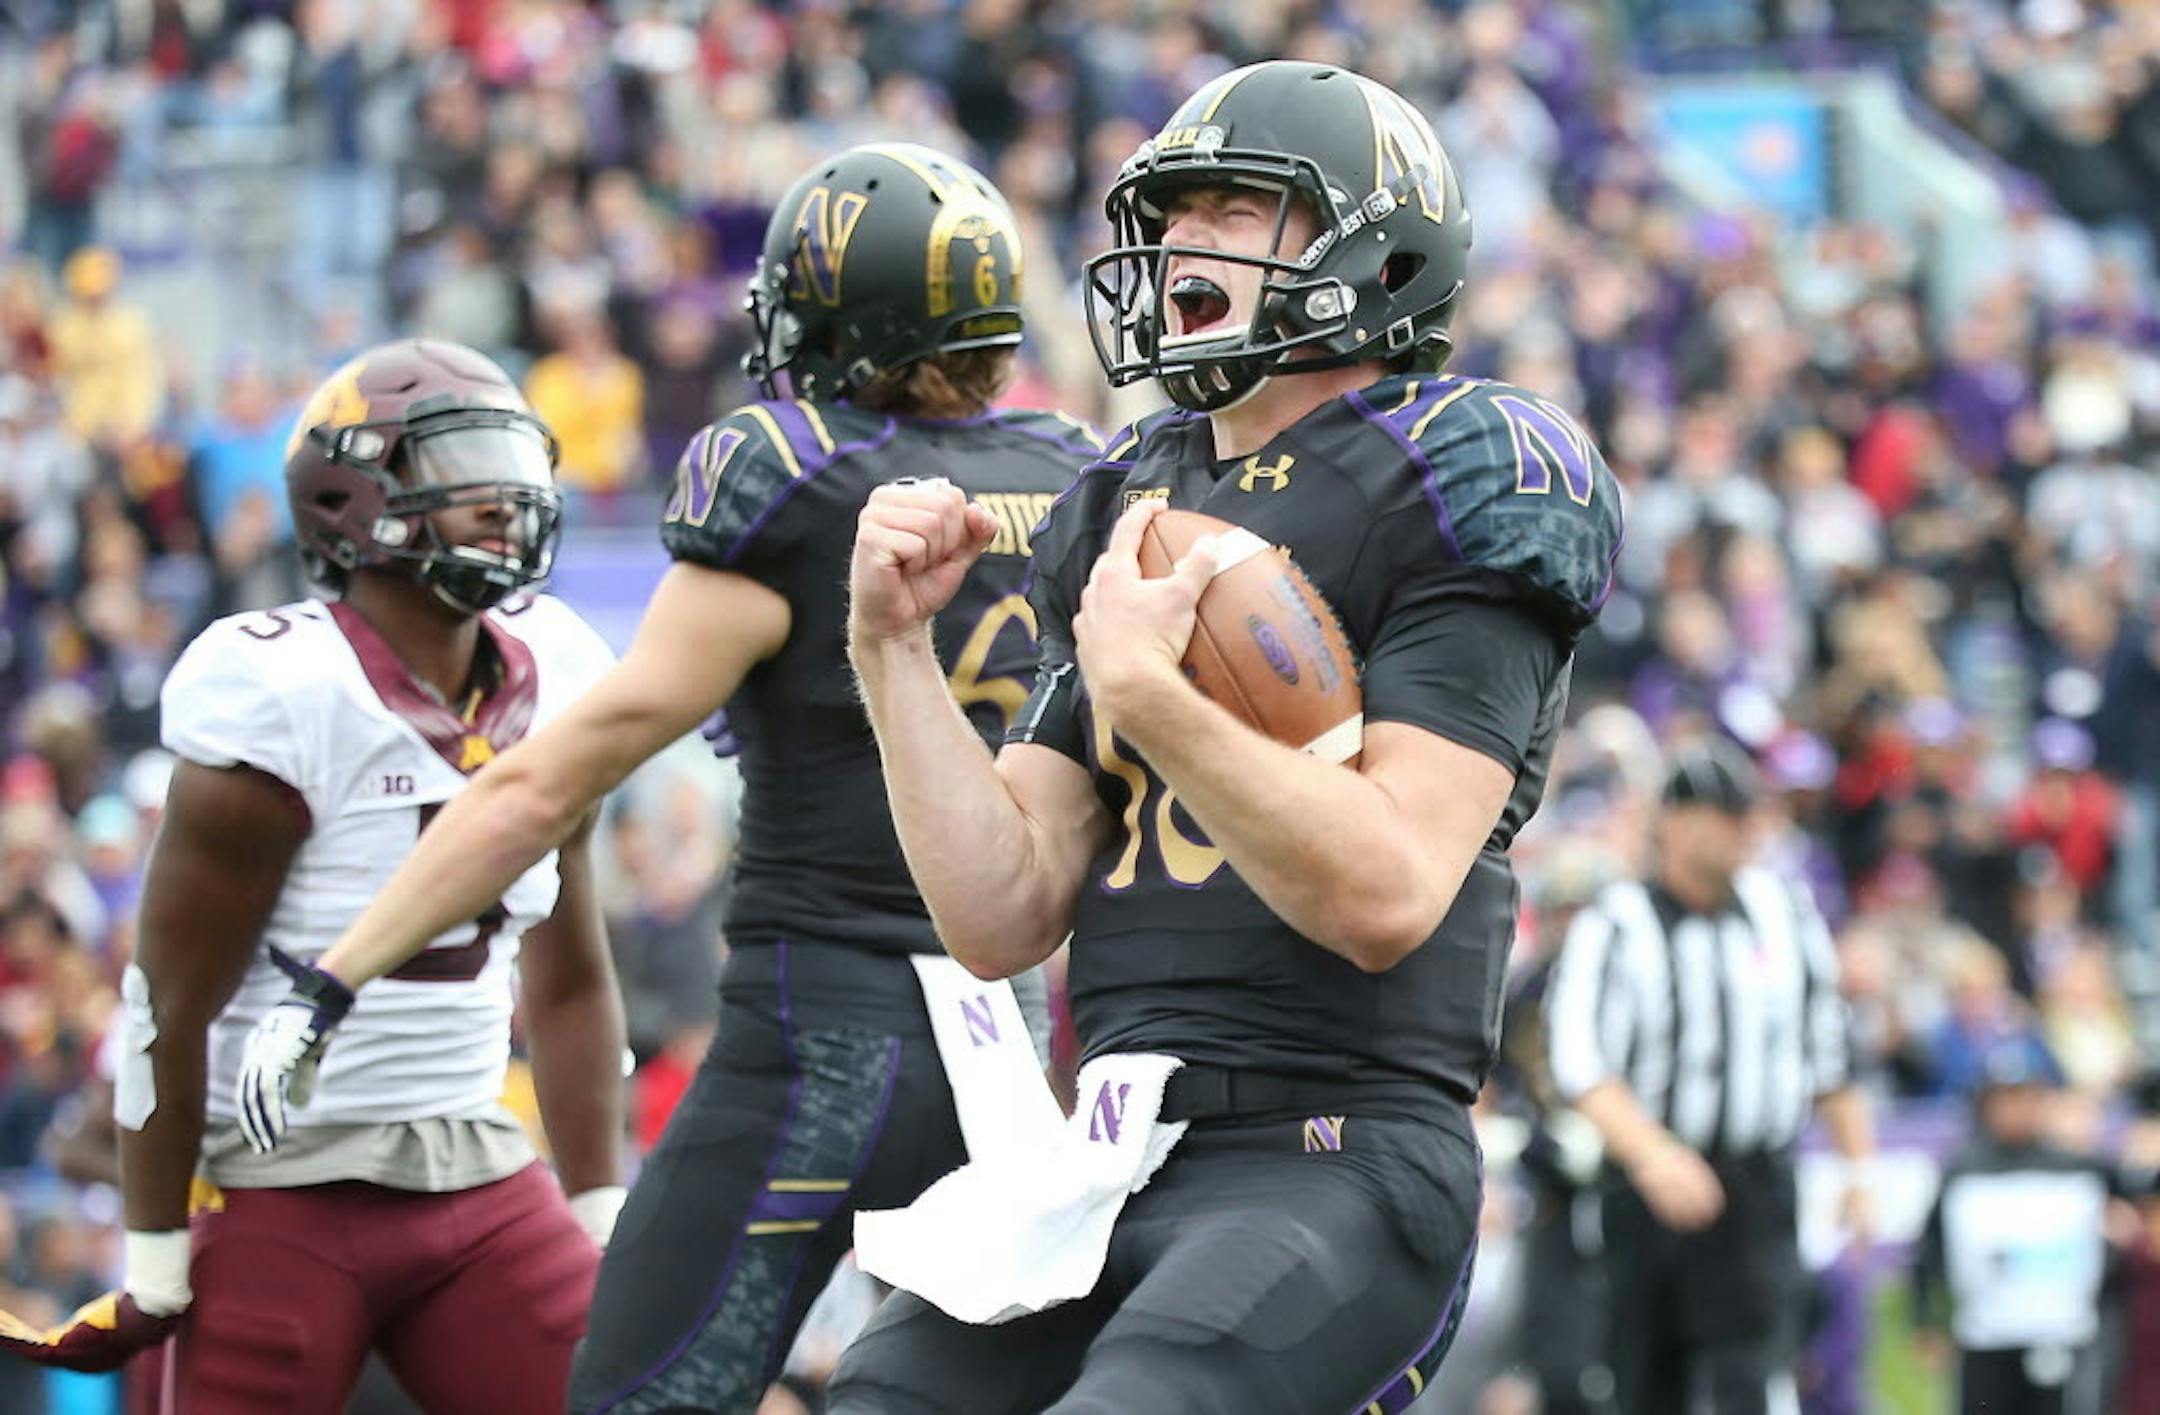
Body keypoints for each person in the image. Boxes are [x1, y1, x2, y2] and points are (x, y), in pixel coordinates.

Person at [230, 144, 1089, 1414]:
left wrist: (334, 973)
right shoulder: (1075, 472)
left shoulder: (800, 481)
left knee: (641, 1397)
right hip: (1009, 1061)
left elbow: (548, 782)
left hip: (821, 1041)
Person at [835, 59, 1623, 1413]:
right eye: (1172, 208)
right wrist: (889, 649)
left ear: (1372, 250)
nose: (1180, 239)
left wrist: (1152, 695)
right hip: (1109, 1149)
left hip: (1334, 1141)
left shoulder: (1459, 462)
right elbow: (1001, 907)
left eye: (1232, 207)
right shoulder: (1125, 493)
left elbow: (1383, 890)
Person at [0, 338, 626, 1410]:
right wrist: (155, 1258)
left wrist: (600, 1202)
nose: (502, 497)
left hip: (473, 1164)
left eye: (506, 459)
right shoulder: (281, 689)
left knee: (636, 1389)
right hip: (273, 1186)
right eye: (456, 465)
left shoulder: (560, 668)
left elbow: (568, 972)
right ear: (353, 502)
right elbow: (168, 1002)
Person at [1543, 741, 1876, 1415]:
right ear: (1676, 821)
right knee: (1643, 1382)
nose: (1745, 829)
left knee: (1753, 1377)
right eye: (1725, 814)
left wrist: (1857, 1167)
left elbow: (1829, 1050)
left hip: (1755, 1186)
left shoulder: (1786, 911)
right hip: (1645, 1190)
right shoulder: (1615, 924)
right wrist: (1652, 1152)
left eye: (1746, 812)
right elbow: (1577, 1058)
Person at [1914, 1037, 2125, 1415]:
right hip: (1986, 1335)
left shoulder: (2077, 1167)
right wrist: (1927, 1320)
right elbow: (1929, 1250)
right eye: (2007, 1098)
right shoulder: (1963, 1171)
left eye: (2028, 1097)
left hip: (2061, 1334)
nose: (2018, 1110)